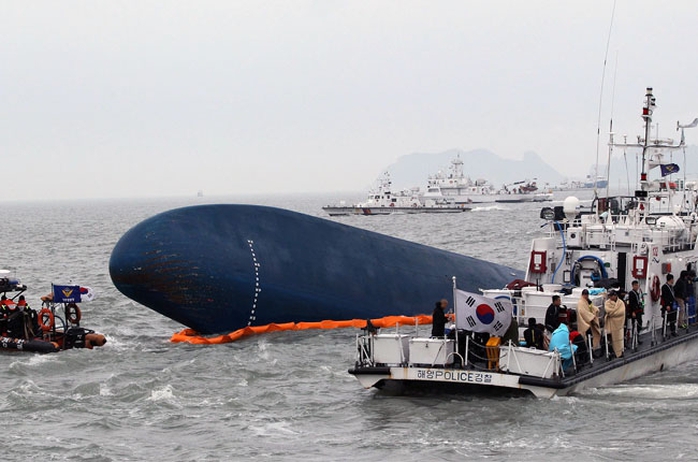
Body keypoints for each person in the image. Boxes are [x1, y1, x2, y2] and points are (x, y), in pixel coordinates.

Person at [604, 290, 626, 358]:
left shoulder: (621, 303)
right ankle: (612, 352)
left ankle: (620, 352)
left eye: (611, 296)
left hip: (619, 324)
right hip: (611, 324)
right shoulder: (607, 303)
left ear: (615, 295)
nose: (610, 297)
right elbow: (608, 311)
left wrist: (612, 313)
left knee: (619, 338)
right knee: (610, 339)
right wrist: (614, 312)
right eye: (609, 296)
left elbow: (621, 312)